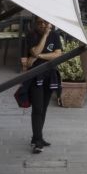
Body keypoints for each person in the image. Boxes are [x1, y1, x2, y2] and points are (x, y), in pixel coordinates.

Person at [22, 17, 66, 152]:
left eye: (45, 22)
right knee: (37, 109)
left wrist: (38, 56)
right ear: (35, 24)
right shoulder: (31, 36)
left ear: (50, 23)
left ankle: (37, 137)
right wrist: (45, 35)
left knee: (44, 108)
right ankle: (37, 141)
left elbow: (58, 54)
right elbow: (32, 55)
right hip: (35, 77)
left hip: (50, 75)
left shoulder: (55, 35)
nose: (42, 25)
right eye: (39, 23)